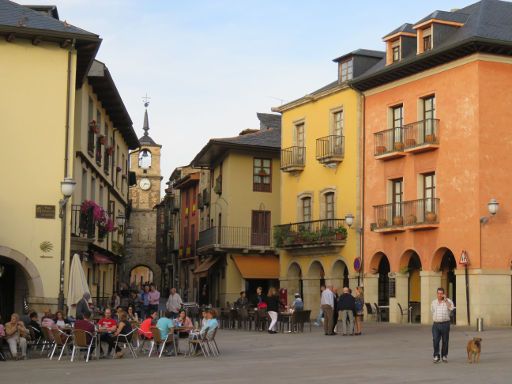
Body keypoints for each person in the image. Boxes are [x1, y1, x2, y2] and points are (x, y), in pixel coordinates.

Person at [431, 287, 454, 363]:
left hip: (445, 324)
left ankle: (444, 356)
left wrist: (446, 300)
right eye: (438, 293)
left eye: (441, 293)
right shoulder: (433, 302)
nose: (440, 295)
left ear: (443, 294)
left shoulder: (448, 301)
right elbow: (432, 311)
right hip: (436, 324)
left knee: (445, 341)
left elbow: (451, 308)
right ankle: (436, 356)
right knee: (435, 340)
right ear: (437, 294)